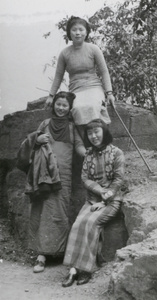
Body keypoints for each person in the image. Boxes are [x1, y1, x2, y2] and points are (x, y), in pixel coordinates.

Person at [18, 91, 86, 273]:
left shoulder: (72, 127)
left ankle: (60, 252)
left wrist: (88, 154)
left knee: (59, 212)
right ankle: (41, 256)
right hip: (43, 175)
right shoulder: (45, 124)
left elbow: (79, 145)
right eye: (59, 104)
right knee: (41, 211)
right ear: (54, 104)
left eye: (65, 105)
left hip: (63, 176)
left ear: (70, 108)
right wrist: (37, 140)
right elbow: (29, 142)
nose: (61, 108)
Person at [62, 119, 125, 287]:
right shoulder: (88, 154)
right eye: (90, 133)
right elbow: (85, 178)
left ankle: (86, 269)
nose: (94, 136)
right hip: (92, 200)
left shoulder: (117, 152)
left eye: (97, 132)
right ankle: (73, 270)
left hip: (112, 200)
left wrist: (105, 199)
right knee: (77, 224)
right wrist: (99, 192)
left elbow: (118, 180)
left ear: (104, 132)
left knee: (90, 222)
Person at [45, 16, 115, 140]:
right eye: (74, 30)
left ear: (86, 32)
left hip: (94, 86)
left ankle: (101, 143)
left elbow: (104, 71)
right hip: (76, 89)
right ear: (69, 33)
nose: (78, 33)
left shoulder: (93, 49)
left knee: (93, 106)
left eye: (81, 30)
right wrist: (51, 96)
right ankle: (86, 144)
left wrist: (109, 93)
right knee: (77, 108)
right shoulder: (65, 53)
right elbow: (58, 76)